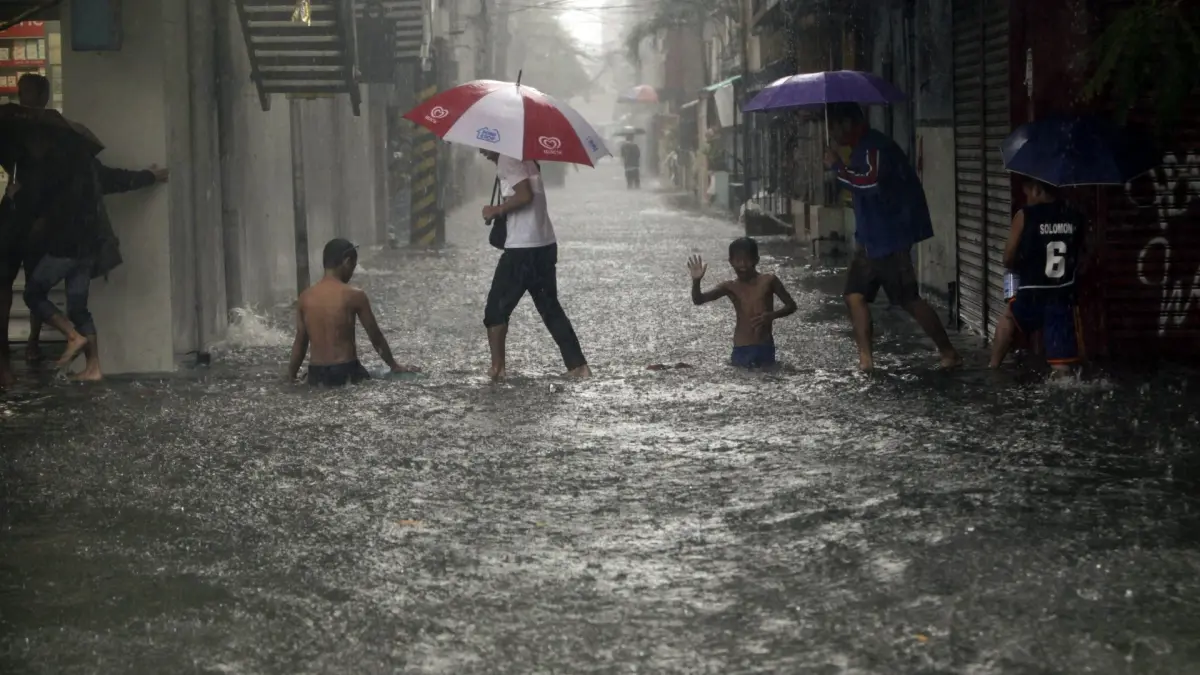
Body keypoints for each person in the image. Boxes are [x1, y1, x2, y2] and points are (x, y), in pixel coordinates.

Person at [823, 102, 961, 372]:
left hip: (888, 238)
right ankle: (866, 362)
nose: (833, 134)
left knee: (908, 299)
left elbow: (868, 183)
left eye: (834, 127)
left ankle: (949, 352)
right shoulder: (860, 149)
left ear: (848, 123)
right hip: (870, 239)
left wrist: (837, 167)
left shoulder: (875, 147)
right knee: (854, 295)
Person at [479, 150, 590, 380]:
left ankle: (497, 370)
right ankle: (578, 367)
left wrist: (496, 210)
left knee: (495, 311)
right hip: (544, 244)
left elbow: (525, 195)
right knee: (550, 308)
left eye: (483, 145)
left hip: (522, 249)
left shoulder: (508, 159)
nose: (481, 151)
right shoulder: (527, 159)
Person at [287, 238, 417, 386]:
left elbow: (300, 342)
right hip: (346, 371)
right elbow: (375, 335)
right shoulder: (354, 295)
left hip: (316, 373)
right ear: (347, 262)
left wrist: (291, 375)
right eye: (353, 267)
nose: (351, 273)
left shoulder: (305, 297)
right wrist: (394, 365)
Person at [989, 179, 1086, 374]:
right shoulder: (1074, 215)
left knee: (1009, 316)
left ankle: (993, 366)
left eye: (1027, 192)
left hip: (1031, 294)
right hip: (1061, 296)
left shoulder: (1025, 215)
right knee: (1061, 364)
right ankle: (1063, 380)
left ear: (1037, 189)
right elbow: (1085, 253)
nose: (1026, 197)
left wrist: (1021, 264)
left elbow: (1007, 258)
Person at [687, 237, 797, 369]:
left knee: (768, 378)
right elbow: (698, 300)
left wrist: (772, 315)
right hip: (741, 349)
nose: (743, 265)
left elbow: (791, 306)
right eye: (738, 260)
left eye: (747, 260)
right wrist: (696, 281)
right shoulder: (730, 287)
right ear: (731, 262)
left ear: (756, 260)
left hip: (765, 346)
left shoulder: (769, 281)